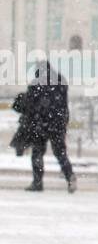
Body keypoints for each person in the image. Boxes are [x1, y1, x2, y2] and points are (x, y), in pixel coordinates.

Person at [15, 61, 76, 193]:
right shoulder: (61, 81)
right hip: (57, 124)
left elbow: (29, 105)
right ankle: (70, 176)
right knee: (60, 152)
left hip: (40, 125)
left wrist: (21, 102)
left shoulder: (36, 84)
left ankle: (37, 182)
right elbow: (62, 103)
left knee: (37, 153)